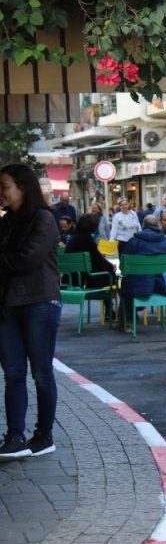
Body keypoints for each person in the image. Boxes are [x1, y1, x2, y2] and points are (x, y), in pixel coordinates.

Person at [0, 164, 61, 459]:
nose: (1, 192)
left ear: (22, 187)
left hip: (39, 303)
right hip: (7, 306)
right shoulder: (6, 221)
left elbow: (27, 259)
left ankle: (44, 435)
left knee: (41, 373)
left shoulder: (44, 219)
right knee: (12, 373)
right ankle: (15, 437)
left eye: (5, 186)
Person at [120, 215, 166, 332]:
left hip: (138, 289)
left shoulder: (133, 242)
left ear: (143, 226)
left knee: (126, 283)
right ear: (158, 225)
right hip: (164, 288)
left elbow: (124, 267)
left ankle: (127, 322)